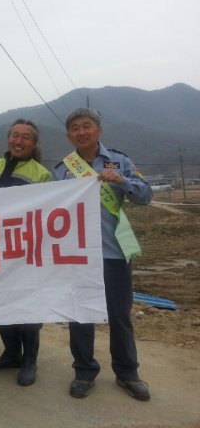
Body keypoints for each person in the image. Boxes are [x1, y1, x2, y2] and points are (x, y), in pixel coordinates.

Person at [54, 108, 152, 401]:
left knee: (119, 315)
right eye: (75, 128)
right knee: (80, 314)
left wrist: (122, 181)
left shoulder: (119, 161)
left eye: (86, 126)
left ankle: (127, 373)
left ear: (99, 130)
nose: (81, 132)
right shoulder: (62, 169)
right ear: (69, 136)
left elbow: (146, 196)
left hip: (114, 251)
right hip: (78, 254)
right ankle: (84, 371)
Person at [0, 119, 52, 386]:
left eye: (26, 137)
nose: (19, 141)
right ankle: (11, 354)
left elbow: (48, 212)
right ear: (8, 138)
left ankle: (29, 361)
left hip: (26, 252)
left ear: (34, 144)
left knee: (28, 309)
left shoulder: (42, 174)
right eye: (15, 135)